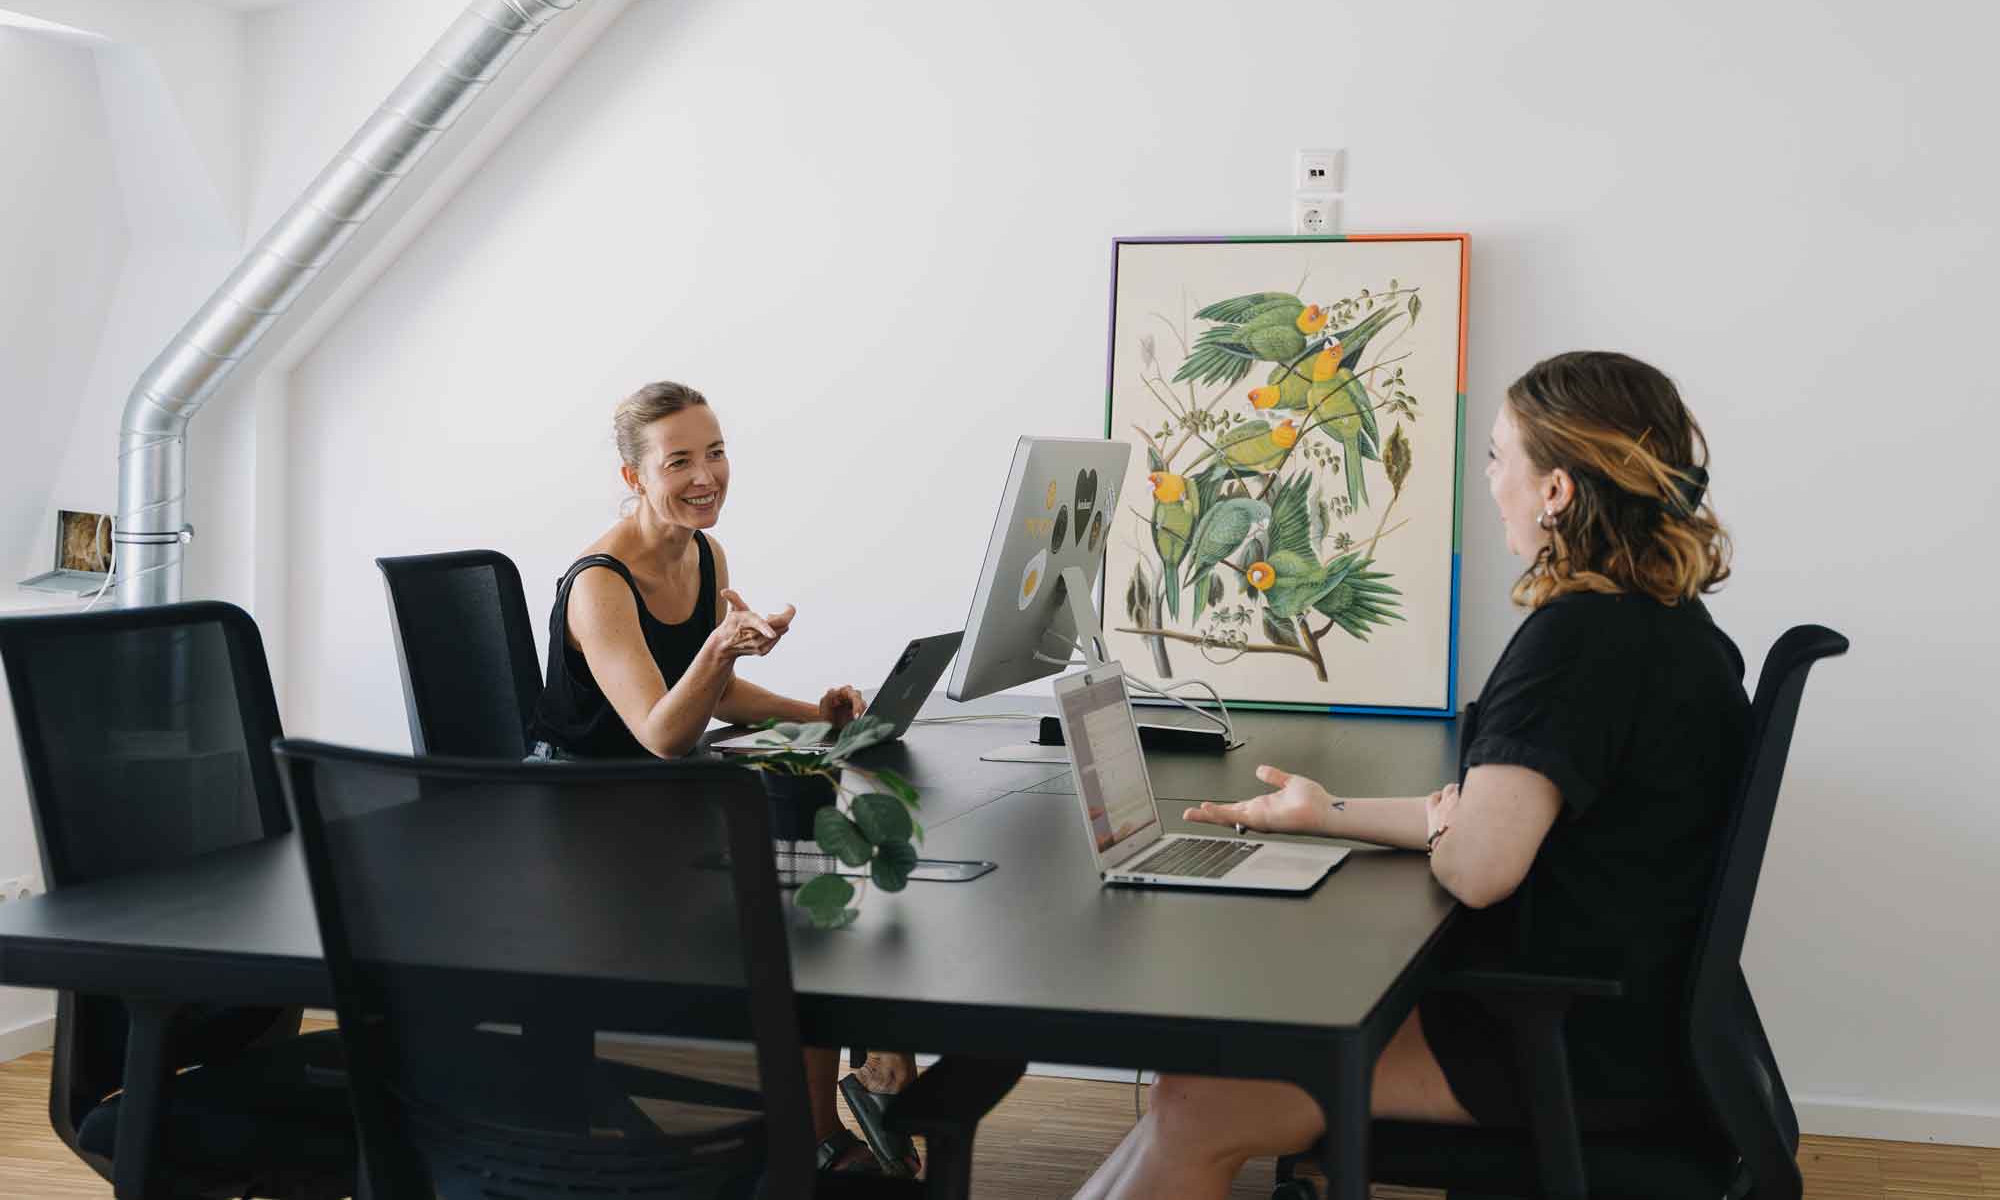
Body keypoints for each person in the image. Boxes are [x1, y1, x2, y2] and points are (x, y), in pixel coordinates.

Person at [1075, 351, 1746, 1200]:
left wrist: (1451, 828)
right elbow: (1493, 820)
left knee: (1201, 1095)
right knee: (1186, 1093)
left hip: (1560, 1044)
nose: (1491, 478)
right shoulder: (1673, 630)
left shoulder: (1577, 642)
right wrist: (1330, 810)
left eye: (1501, 456)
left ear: (1558, 491)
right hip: (1630, 1023)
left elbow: (1476, 863)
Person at [526, 380, 919, 1175]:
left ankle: (863, 1083)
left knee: (821, 825)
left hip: (662, 803)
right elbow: (663, 729)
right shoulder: (600, 582)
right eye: (680, 461)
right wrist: (720, 649)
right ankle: (821, 1120)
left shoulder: (705, 554)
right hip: (588, 820)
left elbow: (718, 694)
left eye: (715, 452)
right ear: (635, 477)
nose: (706, 475)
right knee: (796, 889)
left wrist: (817, 711)